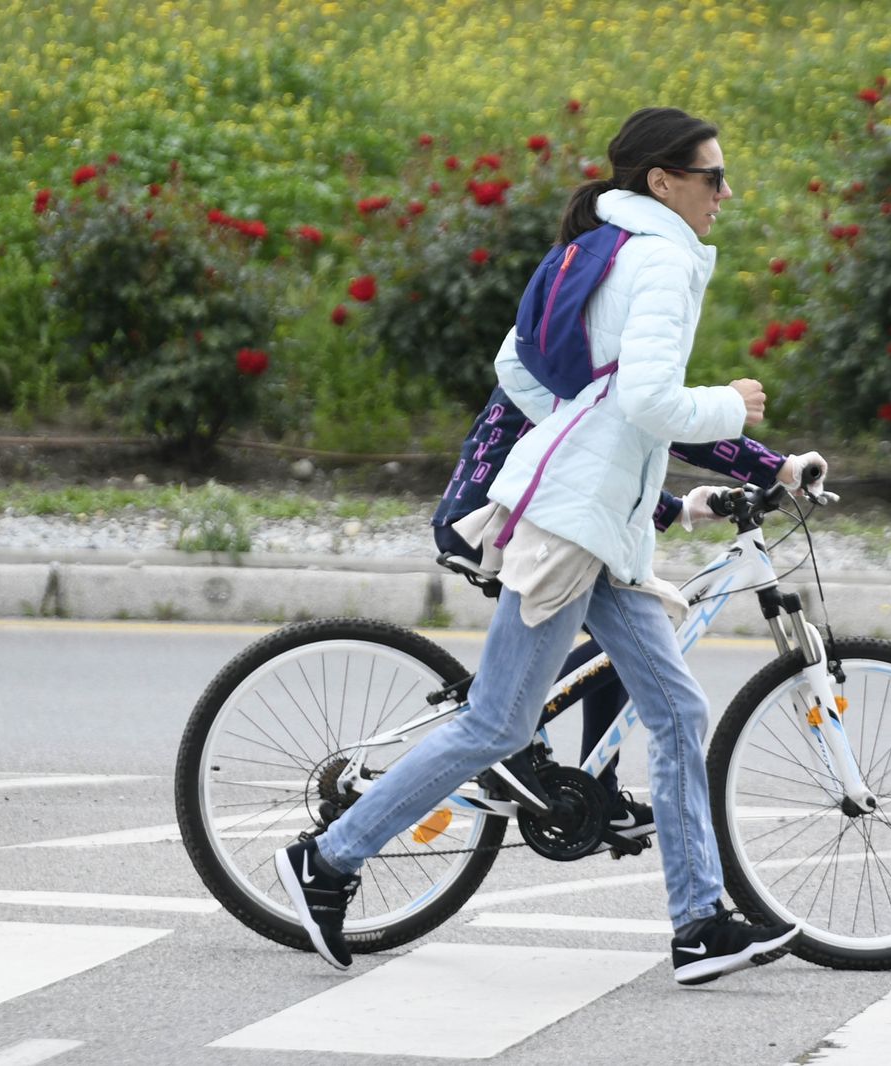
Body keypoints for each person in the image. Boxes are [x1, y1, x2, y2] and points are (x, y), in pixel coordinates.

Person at [278, 106, 805, 986]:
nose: (725, 193)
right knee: (498, 722)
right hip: (572, 524)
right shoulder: (663, 259)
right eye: (712, 177)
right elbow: (647, 403)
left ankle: (701, 925)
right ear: (663, 182)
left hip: (593, 523)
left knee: (675, 713)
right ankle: (327, 861)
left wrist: (591, 446)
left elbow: (523, 370)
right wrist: (729, 404)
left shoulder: (603, 248)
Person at [432, 388, 827, 852]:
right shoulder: (597, 344)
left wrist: (677, 508)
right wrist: (776, 467)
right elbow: (662, 417)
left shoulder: (586, 341)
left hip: (533, 510)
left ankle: (596, 788)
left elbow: (603, 451)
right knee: (635, 634)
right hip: (503, 518)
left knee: (632, 636)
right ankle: (504, 730)